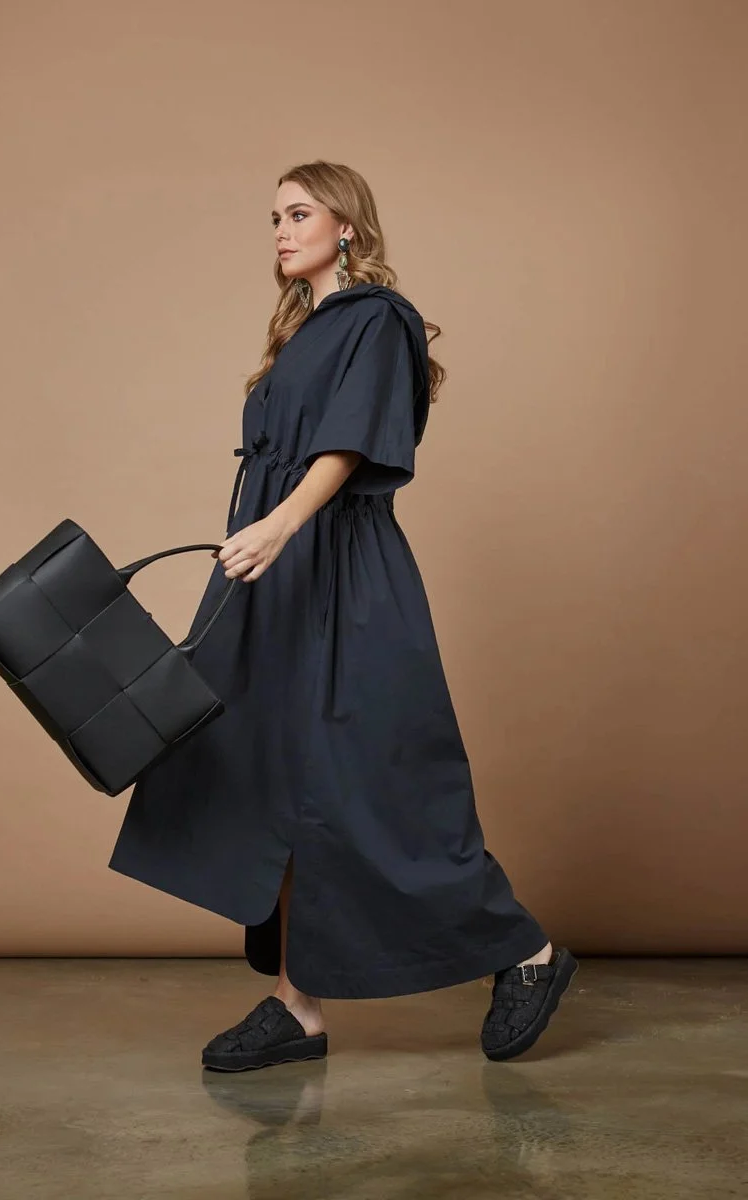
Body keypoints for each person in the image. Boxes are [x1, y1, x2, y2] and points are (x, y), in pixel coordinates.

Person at [109, 160, 578, 1072]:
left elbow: (351, 442)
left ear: (346, 226)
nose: (281, 231)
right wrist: (260, 540)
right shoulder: (303, 331)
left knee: (368, 779)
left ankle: (526, 951)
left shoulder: (378, 319)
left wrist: (280, 526)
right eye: (273, 218)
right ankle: (298, 1006)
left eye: (299, 213)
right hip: (273, 572)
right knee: (265, 773)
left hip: (339, 569)